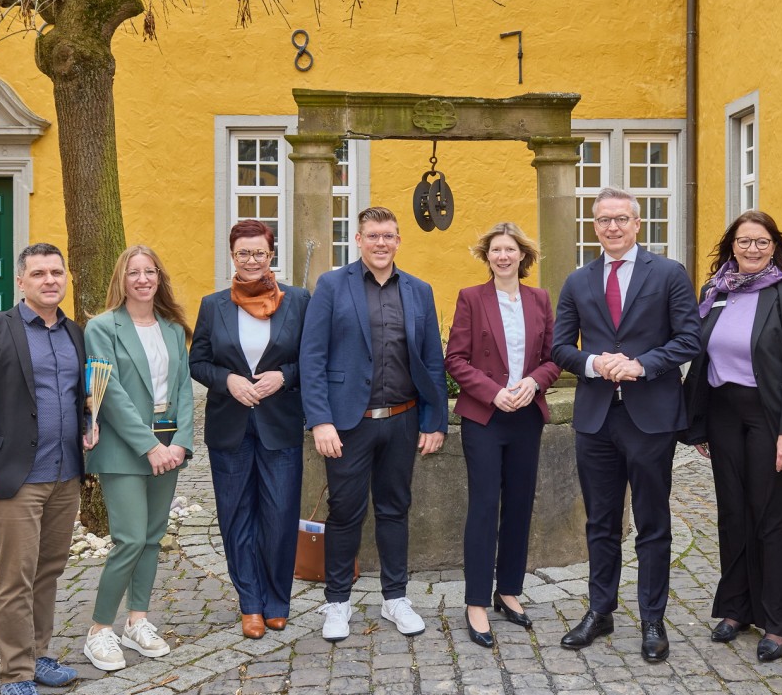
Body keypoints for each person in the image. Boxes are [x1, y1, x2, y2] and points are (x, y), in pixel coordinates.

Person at [552, 186, 700, 661]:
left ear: (637, 223)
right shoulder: (578, 280)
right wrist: (594, 363)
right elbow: (559, 347)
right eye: (603, 220)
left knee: (652, 522)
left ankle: (653, 618)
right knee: (600, 521)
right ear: (593, 226)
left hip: (651, 416)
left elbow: (689, 338)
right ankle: (600, 610)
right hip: (596, 418)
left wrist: (640, 364)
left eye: (621, 219)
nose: (612, 227)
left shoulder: (669, 273)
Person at [0, 243, 97, 695]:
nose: (50, 280)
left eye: (57, 272)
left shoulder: (74, 333)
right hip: (13, 478)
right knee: (13, 578)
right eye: (39, 273)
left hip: (65, 473)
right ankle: (15, 675)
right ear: (20, 281)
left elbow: (77, 396)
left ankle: (38, 655)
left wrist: (87, 424)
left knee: (48, 571)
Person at [300, 206, 449, 643]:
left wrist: (434, 420)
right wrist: (320, 421)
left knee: (395, 509)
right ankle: (338, 601)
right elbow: (312, 357)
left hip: (402, 420)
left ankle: (395, 597)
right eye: (373, 236)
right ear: (359, 240)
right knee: (345, 512)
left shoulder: (419, 290)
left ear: (398, 241)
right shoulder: (332, 285)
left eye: (388, 236)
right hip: (348, 424)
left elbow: (432, 361)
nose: (381, 243)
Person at [682, 210, 782, 662]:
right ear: (732, 246)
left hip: (770, 417)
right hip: (723, 413)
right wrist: (698, 422)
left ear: (774, 247)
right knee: (732, 514)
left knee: (768, 517)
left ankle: (777, 620)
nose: (752, 249)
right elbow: (701, 360)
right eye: (744, 241)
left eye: (761, 242)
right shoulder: (715, 291)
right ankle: (736, 608)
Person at [190, 220, 310, 640]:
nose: (252, 260)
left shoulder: (298, 301)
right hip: (230, 427)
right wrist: (228, 380)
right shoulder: (214, 306)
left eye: (259, 252)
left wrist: (285, 376)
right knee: (236, 517)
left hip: (280, 424)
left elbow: (313, 358)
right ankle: (251, 605)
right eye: (244, 253)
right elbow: (198, 362)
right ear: (232, 257)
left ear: (271, 255)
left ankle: (277, 602)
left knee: (280, 515)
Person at [445, 222, 560, 648]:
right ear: (487, 256)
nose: (503, 256)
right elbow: (455, 359)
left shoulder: (540, 299)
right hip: (485, 417)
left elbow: (553, 357)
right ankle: (476, 600)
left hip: (526, 416)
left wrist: (534, 383)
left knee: (519, 504)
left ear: (522, 256)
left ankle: (508, 590)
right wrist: (493, 392)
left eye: (510, 249)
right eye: (496, 250)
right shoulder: (471, 298)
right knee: (484, 505)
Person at [81, 245, 194, 671]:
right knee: (129, 539)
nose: (143, 279)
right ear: (121, 279)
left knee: (151, 537)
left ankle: (137, 621)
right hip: (124, 448)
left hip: (169, 446)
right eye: (134, 272)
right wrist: (149, 446)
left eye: (150, 271)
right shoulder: (102, 327)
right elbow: (109, 394)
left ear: (160, 278)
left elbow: (184, 388)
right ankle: (99, 630)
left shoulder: (172, 329)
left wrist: (180, 442)